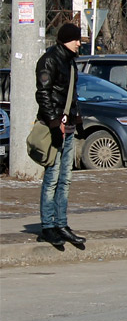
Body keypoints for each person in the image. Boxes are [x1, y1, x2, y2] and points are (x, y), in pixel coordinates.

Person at [34, 23, 86, 247]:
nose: (79, 43)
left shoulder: (70, 62)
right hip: (55, 129)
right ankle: (48, 226)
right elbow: (43, 95)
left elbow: (71, 95)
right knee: (52, 179)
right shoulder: (49, 60)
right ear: (66, 39)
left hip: (69, 129)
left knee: (65, 180)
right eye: (76, 39)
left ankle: (61, 224)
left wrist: (78, 121)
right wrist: (55, 126)